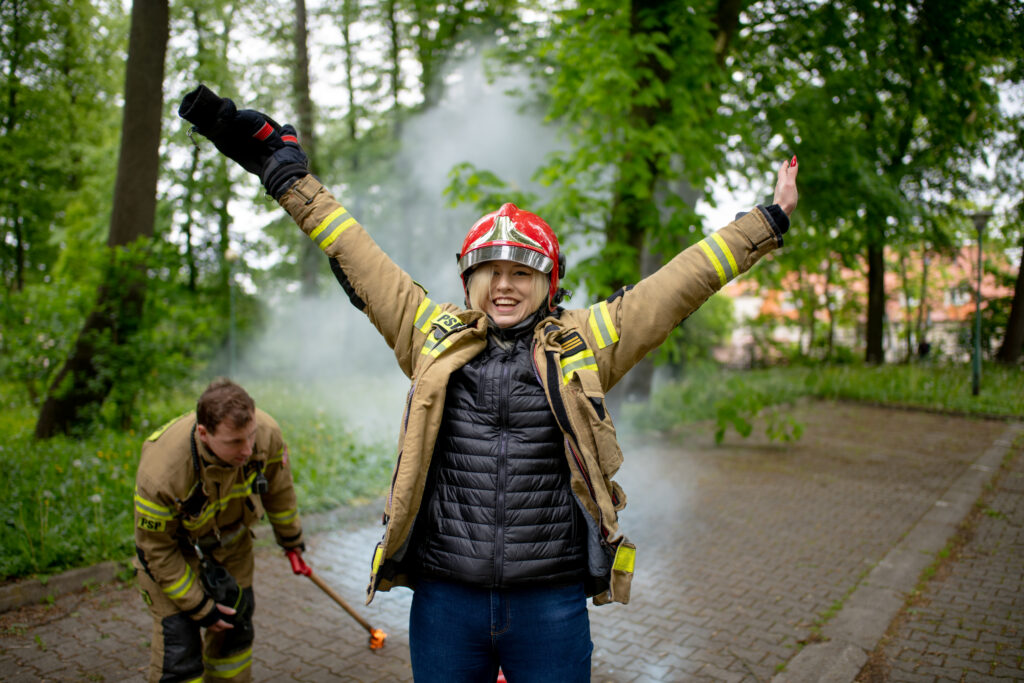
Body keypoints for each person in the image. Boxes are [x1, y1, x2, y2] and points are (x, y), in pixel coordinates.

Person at [178, 85, 798, 682]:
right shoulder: (430, 333)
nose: (504, 284)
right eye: (489, 271)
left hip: (549, 604)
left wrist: (765, 222)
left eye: (522, 271)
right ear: (468, 281)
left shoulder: (584, 341)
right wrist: (290, 182)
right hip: (446, 603)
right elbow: (356, 252)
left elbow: (677, 285)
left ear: (549, 282)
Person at [132, 378, 308, 683]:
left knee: (235, 636)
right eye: (234, 442)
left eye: (250, 437)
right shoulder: (162, 473)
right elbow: (156, 549)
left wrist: (291, 540)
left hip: (232, 545)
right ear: (204, 433)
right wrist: (201, 607)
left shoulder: (265, 434)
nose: (247, 450)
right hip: (176, 555)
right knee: (180, 653)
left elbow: (279, 491)